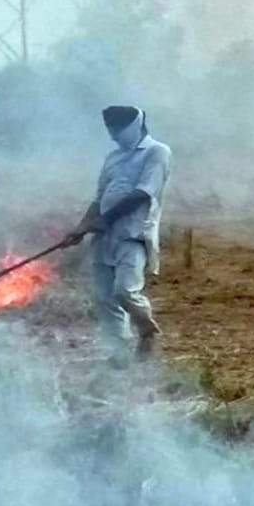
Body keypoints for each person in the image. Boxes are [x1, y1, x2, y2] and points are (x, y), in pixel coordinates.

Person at [65, 105, 172, 367]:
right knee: (104, 298)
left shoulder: (157, 152)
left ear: (136, 125)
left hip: (133, 234)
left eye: (118, 130)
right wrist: (81, 228)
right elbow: (99, 198)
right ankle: (120, 352)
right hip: (103, 237)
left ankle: (147, 331)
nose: (114, 136)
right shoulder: (113, 157)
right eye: (110, 130)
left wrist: (105, 219)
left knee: (125, 291)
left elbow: (142, 193)